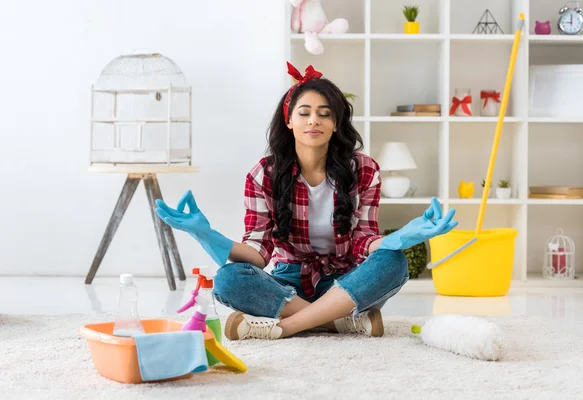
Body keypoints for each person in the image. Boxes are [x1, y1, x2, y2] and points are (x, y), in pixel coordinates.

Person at [154, 62, 458, 341]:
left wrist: (400, 238)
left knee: (393, 261)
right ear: (289, 120)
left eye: (325, 113)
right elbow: (259, 253)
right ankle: (337, 321)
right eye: (304, 112)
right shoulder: (263, 174)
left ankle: (286, 327)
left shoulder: (363, 170)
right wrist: (206, 235)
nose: (314, 120)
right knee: (228, 279)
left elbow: (363, 242)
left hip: (348, 281)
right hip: (289, 284)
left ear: (337, 123)